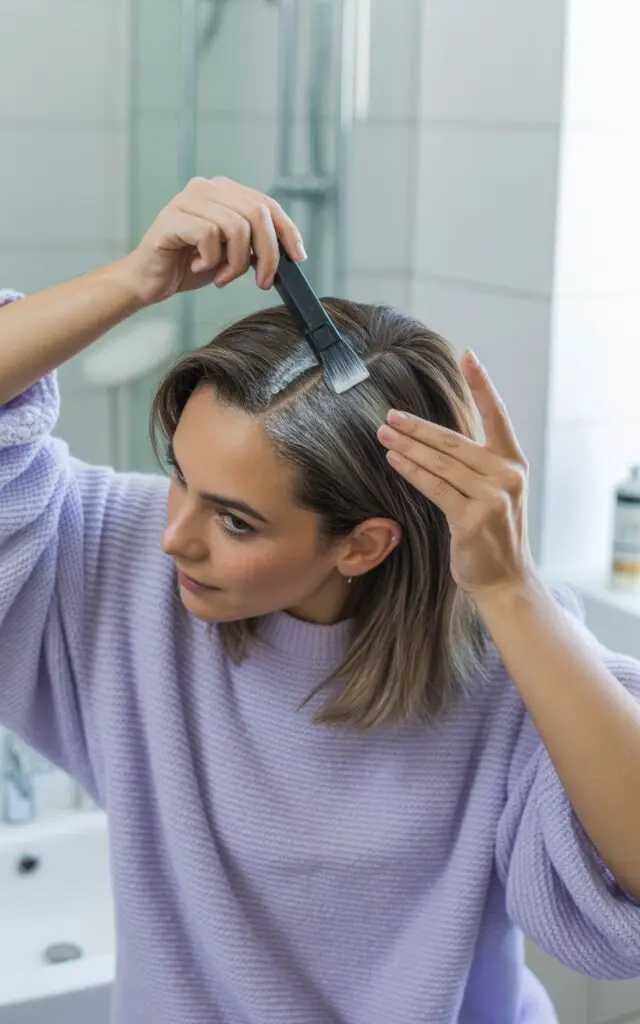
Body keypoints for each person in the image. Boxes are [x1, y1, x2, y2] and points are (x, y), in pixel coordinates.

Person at [1, 175, 639, 1024]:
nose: (174, 538)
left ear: (363, 544)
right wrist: (135, 281)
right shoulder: (111, 560)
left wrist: (513, 592)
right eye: (178, 480)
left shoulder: (508, 653)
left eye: (234, 520)